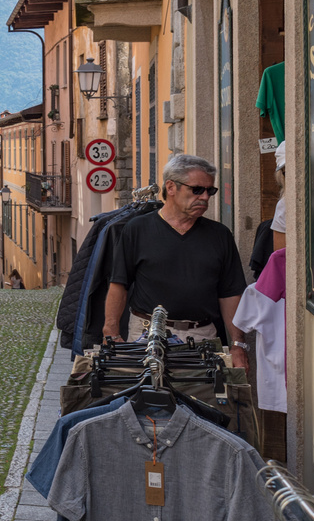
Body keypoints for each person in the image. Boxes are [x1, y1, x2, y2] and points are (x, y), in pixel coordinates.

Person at [103, 154, 249, 364]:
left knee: (200, 395)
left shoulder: (219, 235)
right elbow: (119, 284)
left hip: (201, 336)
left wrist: (238, 345)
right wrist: (111, 332)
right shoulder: (137, 230)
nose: (205, 197)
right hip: (146, 335)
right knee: (148, 396)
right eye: (197, 189)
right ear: (171, 187)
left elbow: (230, 294)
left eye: (211, 191)